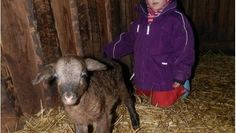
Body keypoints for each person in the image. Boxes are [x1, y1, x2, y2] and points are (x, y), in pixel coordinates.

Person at [103, 0, 195, 107]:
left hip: (165, 77)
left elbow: (184, 50)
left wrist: (180, 75)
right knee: (139, 99)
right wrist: (109, 51)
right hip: (144, 76)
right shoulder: (141, 20)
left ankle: (182, 88)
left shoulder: (176, 20)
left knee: (160, 104)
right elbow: (128, 40)